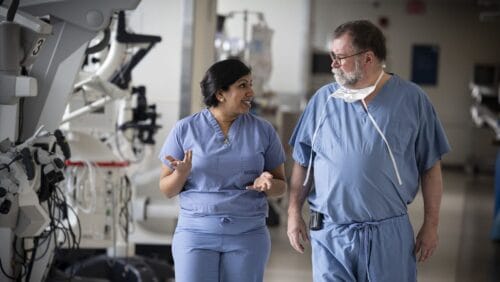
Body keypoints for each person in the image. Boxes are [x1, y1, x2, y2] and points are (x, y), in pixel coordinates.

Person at [287, 20, 450, 281]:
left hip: (388, 235)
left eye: (340, 57)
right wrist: (294, 213)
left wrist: (431, 225)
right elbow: (303, 162)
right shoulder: (323, 101)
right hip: (331, 233)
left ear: (368, 58)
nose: (333, 64)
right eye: (332, 56)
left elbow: (430, 167)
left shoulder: (412, 100)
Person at [158, 59, 287, 282]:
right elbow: (166, 190)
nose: (251, 92)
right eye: (243, 85)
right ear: (220, 94)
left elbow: (281, 186)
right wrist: (180, 174)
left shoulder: (263, 130)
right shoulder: (185, 129)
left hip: (247, 235)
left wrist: (268, 184)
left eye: (251, 84)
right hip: (196, 235)